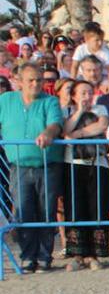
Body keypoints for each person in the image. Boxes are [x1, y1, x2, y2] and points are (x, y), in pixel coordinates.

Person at [0, 63, 65, 272]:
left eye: (39, 79)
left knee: (46, 210)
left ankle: (45, 257)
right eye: (31, 80)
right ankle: (28, 257)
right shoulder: (5, 101)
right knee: (23, 211)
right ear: (19, 81)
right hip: (18, 166)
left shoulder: (50, 101)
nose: (36, 84)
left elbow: (55, 124)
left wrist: (48, 133)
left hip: (47, 164)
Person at [61, 79, 109, 269]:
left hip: (97, 163)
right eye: (82, 93)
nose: (87, 96)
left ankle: (94, 254)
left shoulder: (100, 109)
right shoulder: (66, 112)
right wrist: (80, 111)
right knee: (75, 207)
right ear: (74, 96)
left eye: (90, 92)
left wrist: (77, 135)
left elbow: (101, 126)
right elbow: (64, 130)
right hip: (73, 164)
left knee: (96, 207)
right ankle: (77, 254)